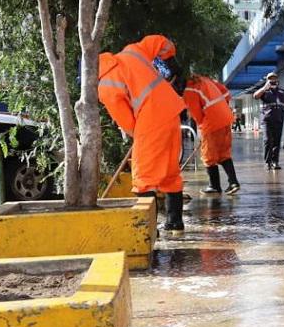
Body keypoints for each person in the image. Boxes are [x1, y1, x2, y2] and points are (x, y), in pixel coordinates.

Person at [98, 34, 187, 233]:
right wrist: (169, 58)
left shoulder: (105, 85)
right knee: (170, 171)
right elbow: (161, 42)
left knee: (144, 177)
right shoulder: (131, 51)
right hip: (172, 110)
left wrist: (138, 137)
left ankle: (148, 230)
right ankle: (175, 223)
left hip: (151, 121)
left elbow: (127, 122)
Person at [183, 74, 241, 195]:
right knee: (223, 153)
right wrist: (221, 108)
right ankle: (233, 182)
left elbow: (196, 113)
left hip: (212, 121)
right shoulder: (205, 80)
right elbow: (226, 93)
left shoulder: (189, 90)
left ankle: (214, 186)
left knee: (208, 155)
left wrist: (202, 130)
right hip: (225, 117)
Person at [253, 71, 284, 170]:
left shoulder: (282, 91)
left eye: (274, 78)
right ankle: (267, 162)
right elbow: (255, 96)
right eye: (270, 79)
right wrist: (264, 88)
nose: (273, 80)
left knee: (277, 142)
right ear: (267, 80)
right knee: (268, 140)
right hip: (267, 119)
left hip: (279, 118)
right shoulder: (264, 91)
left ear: (277, 80)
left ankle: (275, 162)